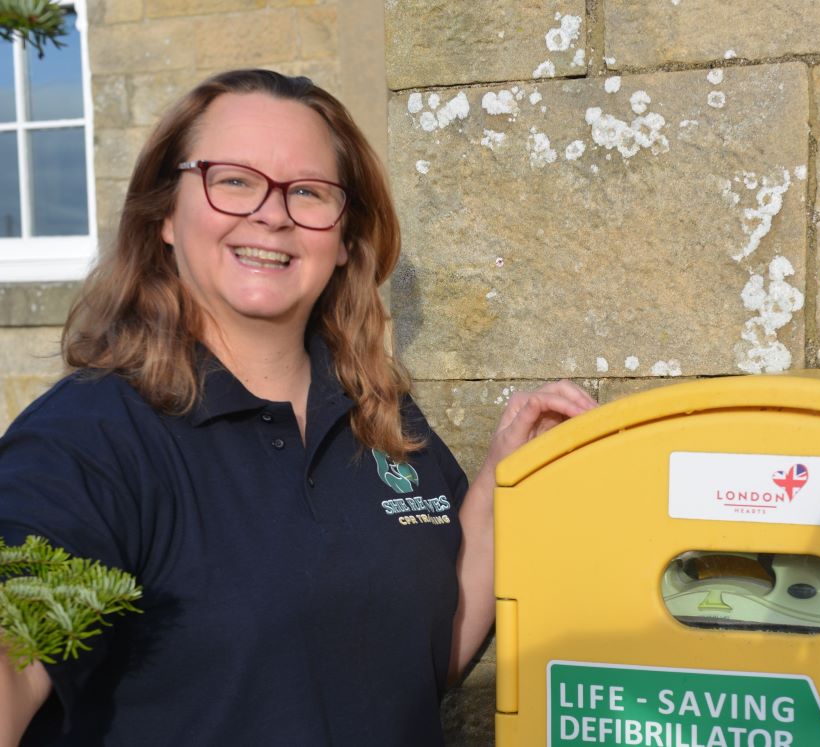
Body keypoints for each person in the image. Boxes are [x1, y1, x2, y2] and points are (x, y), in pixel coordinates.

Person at [0, 69, 595, 746]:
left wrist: (498, 484)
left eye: (308, 191)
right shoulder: (87, 441)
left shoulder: (379, 413)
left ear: (343, 239)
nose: (272, 213)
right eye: (233, 180)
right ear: (163, 214)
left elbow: (423, 656)